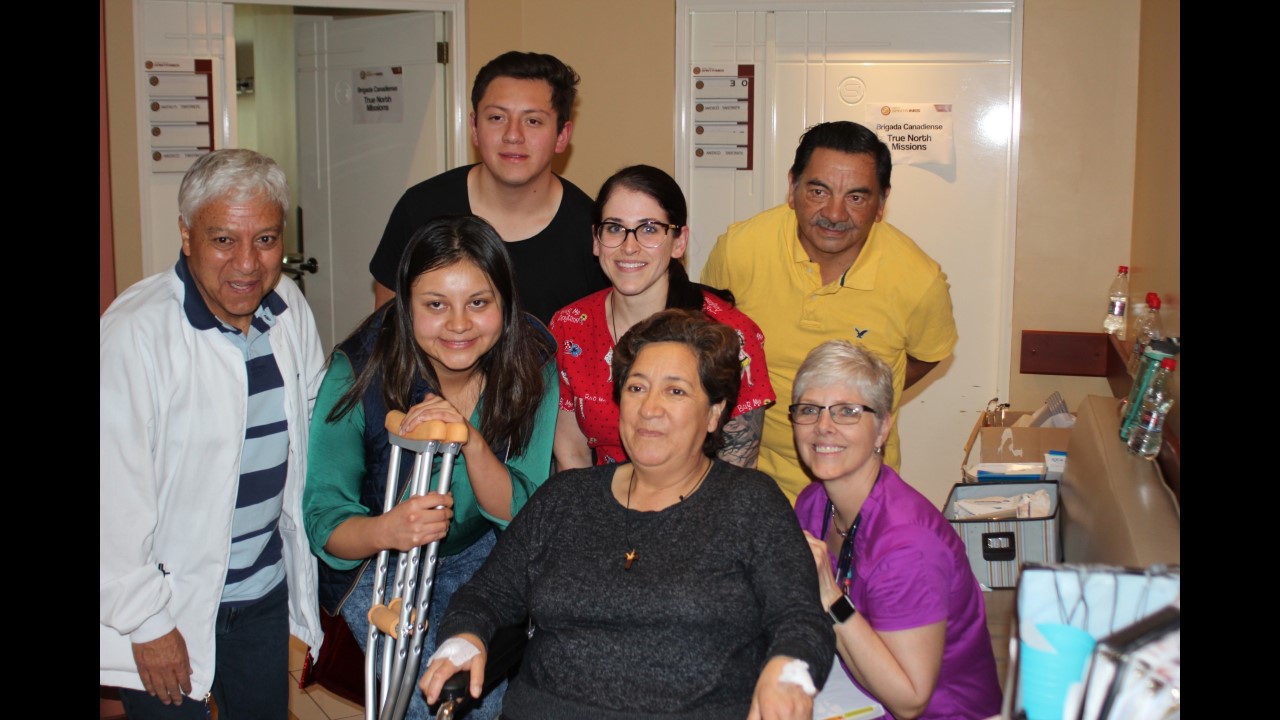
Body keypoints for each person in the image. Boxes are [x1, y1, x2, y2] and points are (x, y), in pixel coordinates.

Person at [420, 309, 834, 720]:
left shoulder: (750, 502)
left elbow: (799, 618)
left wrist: (788, 670)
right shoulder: (566, 498)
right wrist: (464, 639)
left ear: (713, 413)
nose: (650, 408)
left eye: (675, 391)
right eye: (637, 388)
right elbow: (486, 594)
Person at [305, 215, 559, 720]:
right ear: (405, 305)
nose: (459, 325)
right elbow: (324, 521)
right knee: (431, 698)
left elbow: (523, 509)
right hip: (379, 561)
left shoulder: (531, 360)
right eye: (435, 305)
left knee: (485, 695)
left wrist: (470, 440)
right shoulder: (358, 371)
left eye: (479, 303)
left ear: (506, 303)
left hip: (481, 549)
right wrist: (389, 529)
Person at [100, 149, 325, 718]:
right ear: (186, 236)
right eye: (223, 240)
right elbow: (110, 496)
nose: (247, 263)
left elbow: (315, 422)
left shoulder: (289, 308)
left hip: (262, 594)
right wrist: (147, 622)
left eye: (266, 239)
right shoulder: (134, 333)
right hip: (169, 605)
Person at [701, 120, 958, 502]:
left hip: (857, 491)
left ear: (881, 203)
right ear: (793, 187)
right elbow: (707, 342)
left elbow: (927, 355)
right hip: (747, 484)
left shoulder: (919, 280)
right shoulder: (739, 249)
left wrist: (857, 398)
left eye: (856, 197)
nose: (835, 214)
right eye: (819, 191)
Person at [790, 341, 1001, 719]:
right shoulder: (813, 502)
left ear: (882, 428)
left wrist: (830, 596)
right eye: (809, 410)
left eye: (847, 411)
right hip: (852, 686)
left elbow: (910, 700)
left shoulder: (908, 547)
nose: (823, 427)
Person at [550, 165, 774, 469]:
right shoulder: (570, 326)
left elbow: (737, 466)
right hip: (600, 494)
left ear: (679, 242)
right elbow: (572, 454)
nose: (629, 247)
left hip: (702, 497)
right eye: (614, 228)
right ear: (596, 239)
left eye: (649, 229)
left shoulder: (731, 333)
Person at [370, 51, 608, 323]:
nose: (513, 135)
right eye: (497, 118)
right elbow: (384, 330)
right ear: (474, 127)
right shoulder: (419, 209)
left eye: (533, 121)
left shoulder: (593, 233)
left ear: (562, 136)